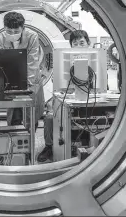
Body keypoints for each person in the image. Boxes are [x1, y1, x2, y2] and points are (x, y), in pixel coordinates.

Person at [37, 29, 94, 163]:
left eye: (82, 43)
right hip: (67, 98)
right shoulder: (64, 60)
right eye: (75, 43)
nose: (79, 46)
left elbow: (101, 87)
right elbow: (58, 87)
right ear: (71, 46)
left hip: (89, 100)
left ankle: (90, 144)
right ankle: (49, 146)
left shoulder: (96, 60)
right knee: (50, 117)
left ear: (88, 43)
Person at [0, 11, 45, 131]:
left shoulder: (32, 36)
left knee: (31, 115)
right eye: (9, 31)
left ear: (23, 28)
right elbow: (0, 62)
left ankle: (29, 146)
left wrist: (27, 84)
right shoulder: (0, 38)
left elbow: (32, 61)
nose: (12, 34)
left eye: (16, 31)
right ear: (4, 28)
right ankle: (13, 144)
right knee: (13, 114)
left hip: (31, 79)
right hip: (11, 79)